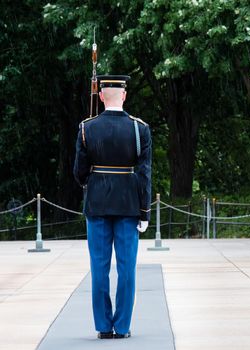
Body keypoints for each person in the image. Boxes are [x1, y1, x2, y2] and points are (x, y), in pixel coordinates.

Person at [73, 75, 152, 339]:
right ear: (124, 96)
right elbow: (144, 174)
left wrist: (95, 179)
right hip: (129, 205)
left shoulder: (87, 128)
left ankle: (104, 326)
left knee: (99, 267)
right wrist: (145, 211)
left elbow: (79, 172)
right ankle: (124, 326)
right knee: (127, 268)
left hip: (97, 204)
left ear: (102, 96)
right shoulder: (139, 129)